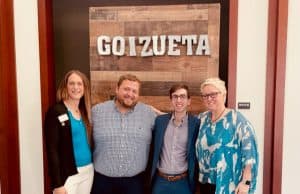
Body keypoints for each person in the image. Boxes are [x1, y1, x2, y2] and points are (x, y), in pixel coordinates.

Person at [91, 74, 157, 194]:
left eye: (134, 91)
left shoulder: (148, 113)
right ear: (117, 89)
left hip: (135, 183)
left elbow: (169, 122)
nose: (130, 94)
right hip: (102, 182)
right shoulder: (97, 111)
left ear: (138, 94)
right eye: (126, 89)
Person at [195, 77, 259, 194]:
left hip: (230, 184)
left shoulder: (237, 121)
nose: (209, 99)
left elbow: (250, 154)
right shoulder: (202, 118)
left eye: (213, 94)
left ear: (224, 95)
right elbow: (183, 121)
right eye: (205, 96)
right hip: (206, 182)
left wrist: (246, 183)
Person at [44, 70, 94, 194]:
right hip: (68, 175)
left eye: (79, 84)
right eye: (72, 83)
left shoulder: (85, 111)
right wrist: (57, 184)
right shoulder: (56, 111)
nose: (76, 87)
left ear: (84, 87)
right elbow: (52, 150)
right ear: (66, 86)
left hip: (88, 171)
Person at [150, 84, 200, 194]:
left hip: (183, 182)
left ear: (189, 101)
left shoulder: (196, 124)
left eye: (182, 96)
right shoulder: (160, 121)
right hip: (160, 181)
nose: (178, 100)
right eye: (175, 96)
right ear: (171, 100)